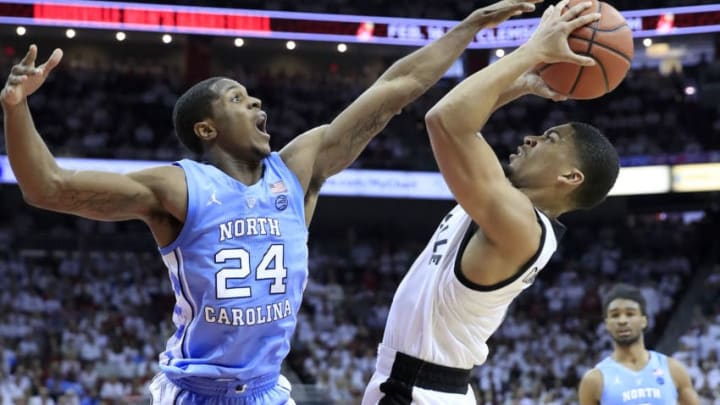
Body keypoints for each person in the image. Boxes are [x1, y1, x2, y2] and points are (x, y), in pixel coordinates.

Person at [0, 1, 538, 404]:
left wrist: (467, 31)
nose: (255, 100)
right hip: (195, 391)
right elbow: (47, 187)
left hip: (265, 389)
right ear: (206, 127)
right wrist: (16, 107)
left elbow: (395, 88)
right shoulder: (177, 188)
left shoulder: (298, 167)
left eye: (252, 96)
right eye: (237, 98)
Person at [362, 1, 622, 403]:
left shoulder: (519, 224)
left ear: (570, 178)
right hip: (420, 387)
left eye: (549, 139)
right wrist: (523, 84)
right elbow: (456, 125)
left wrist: (534, 51)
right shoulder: (506, 202)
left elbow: (445, 119)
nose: (531, 138)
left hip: (418, 392)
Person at [578, 284, 700, 404]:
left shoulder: (673, 369)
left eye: (630, 314)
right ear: (607, 325)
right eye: (615, 315)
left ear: (644, 321)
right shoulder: (594, 379)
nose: (622, 321)